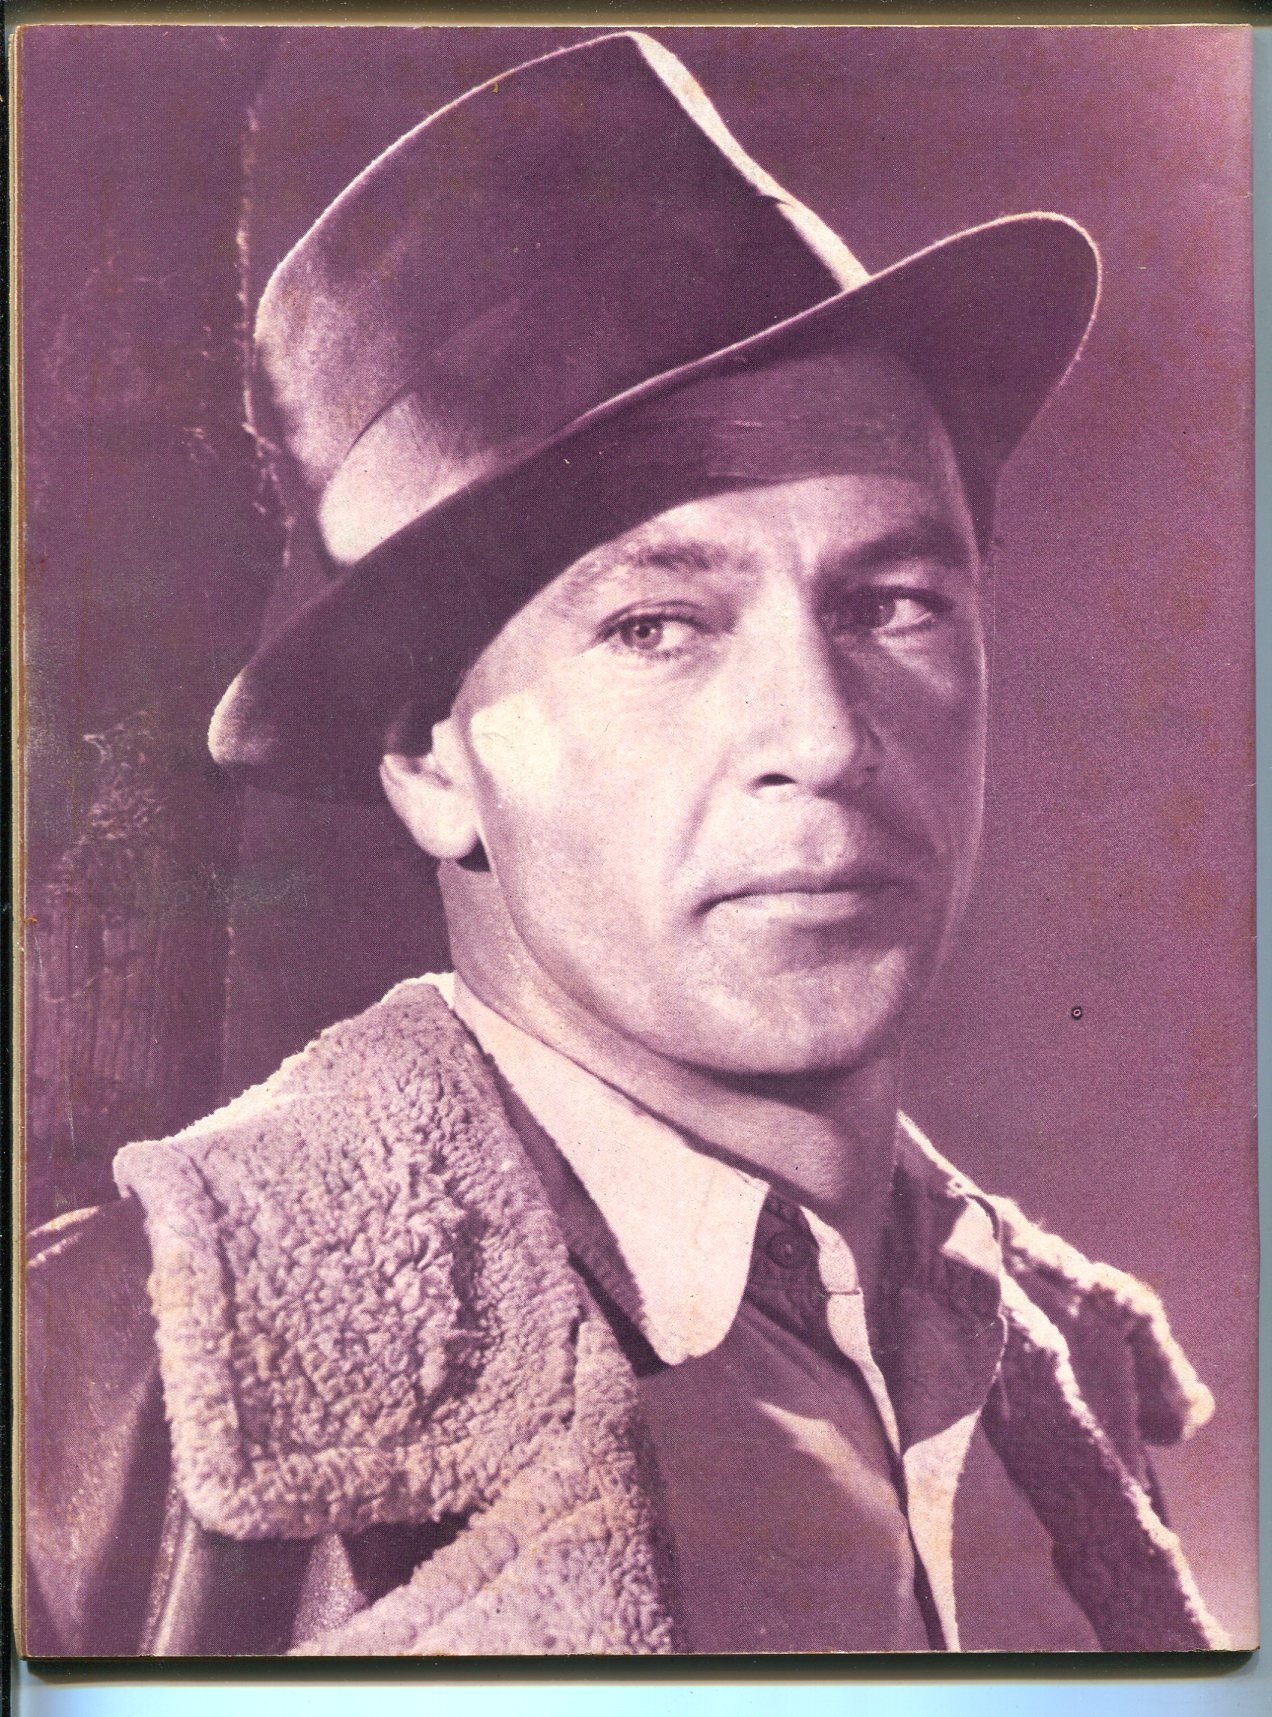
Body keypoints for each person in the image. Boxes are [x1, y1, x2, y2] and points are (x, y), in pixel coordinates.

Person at [23, 31, 1227, 1657]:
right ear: (428, 755)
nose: (823, 735)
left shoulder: (1067, 1380)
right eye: (659, 625)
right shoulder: (101, 1398)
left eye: (893, 601)